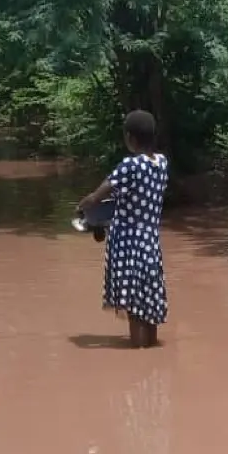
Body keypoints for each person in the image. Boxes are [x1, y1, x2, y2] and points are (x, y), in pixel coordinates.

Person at [77, 110, 168, 348]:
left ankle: (138, 364)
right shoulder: (161, 163)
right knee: (148, 307)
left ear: (130, 137)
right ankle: (152, 360)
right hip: (150, 244)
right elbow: (134, 195)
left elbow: (97, 196)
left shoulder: (129, 165)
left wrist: (82, 206)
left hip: (128, 247)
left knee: (134, 309)